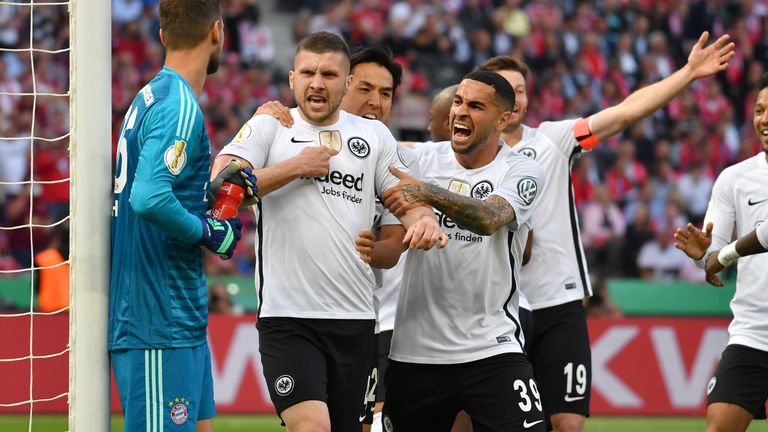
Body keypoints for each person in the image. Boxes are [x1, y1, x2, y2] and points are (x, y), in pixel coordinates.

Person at [476, 31, 734, 432]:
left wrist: (688, 72)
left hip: (559, 306)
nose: (516, 98)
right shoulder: (467, 161)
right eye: (506, 90)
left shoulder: (553, 140)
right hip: (499, 311)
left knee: (568, 424)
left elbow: (626, 112)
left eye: (522, 90)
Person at [213, 32, 446, 432]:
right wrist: (295, 167)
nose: (317, 82)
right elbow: (220, 186)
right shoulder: (270, 125)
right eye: (307, 72)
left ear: (345, 82)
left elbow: (402, 194)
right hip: (289, 319)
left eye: (328, 74)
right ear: (292, 78)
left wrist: (423, 219)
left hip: (355, 320)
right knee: (312, 427)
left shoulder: (373, 137)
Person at [380, 71, 546, 431]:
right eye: (457, 102)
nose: (460, 112)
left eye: (475, 105)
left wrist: (428, 194)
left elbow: (490, 218)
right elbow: (364, 146)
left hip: (492, 348)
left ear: (504, 118)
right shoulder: (419, 159)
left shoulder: (522, 170)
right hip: (414, 353)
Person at [109, 1, 245, 431]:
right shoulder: (178, 107)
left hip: (177, 317)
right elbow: (148, 198)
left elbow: (156, 190)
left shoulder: (152, 96)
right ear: (217, 33)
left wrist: (210, 198)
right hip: (156, 318)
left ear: (163, 35)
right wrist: (207, 231)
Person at [673, 73, 768, 432]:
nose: (765, 119)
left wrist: (721, 256)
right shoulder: (735, 178)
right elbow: (714, 256)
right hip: (753, 332)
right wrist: (701, 255)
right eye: (759, 110)